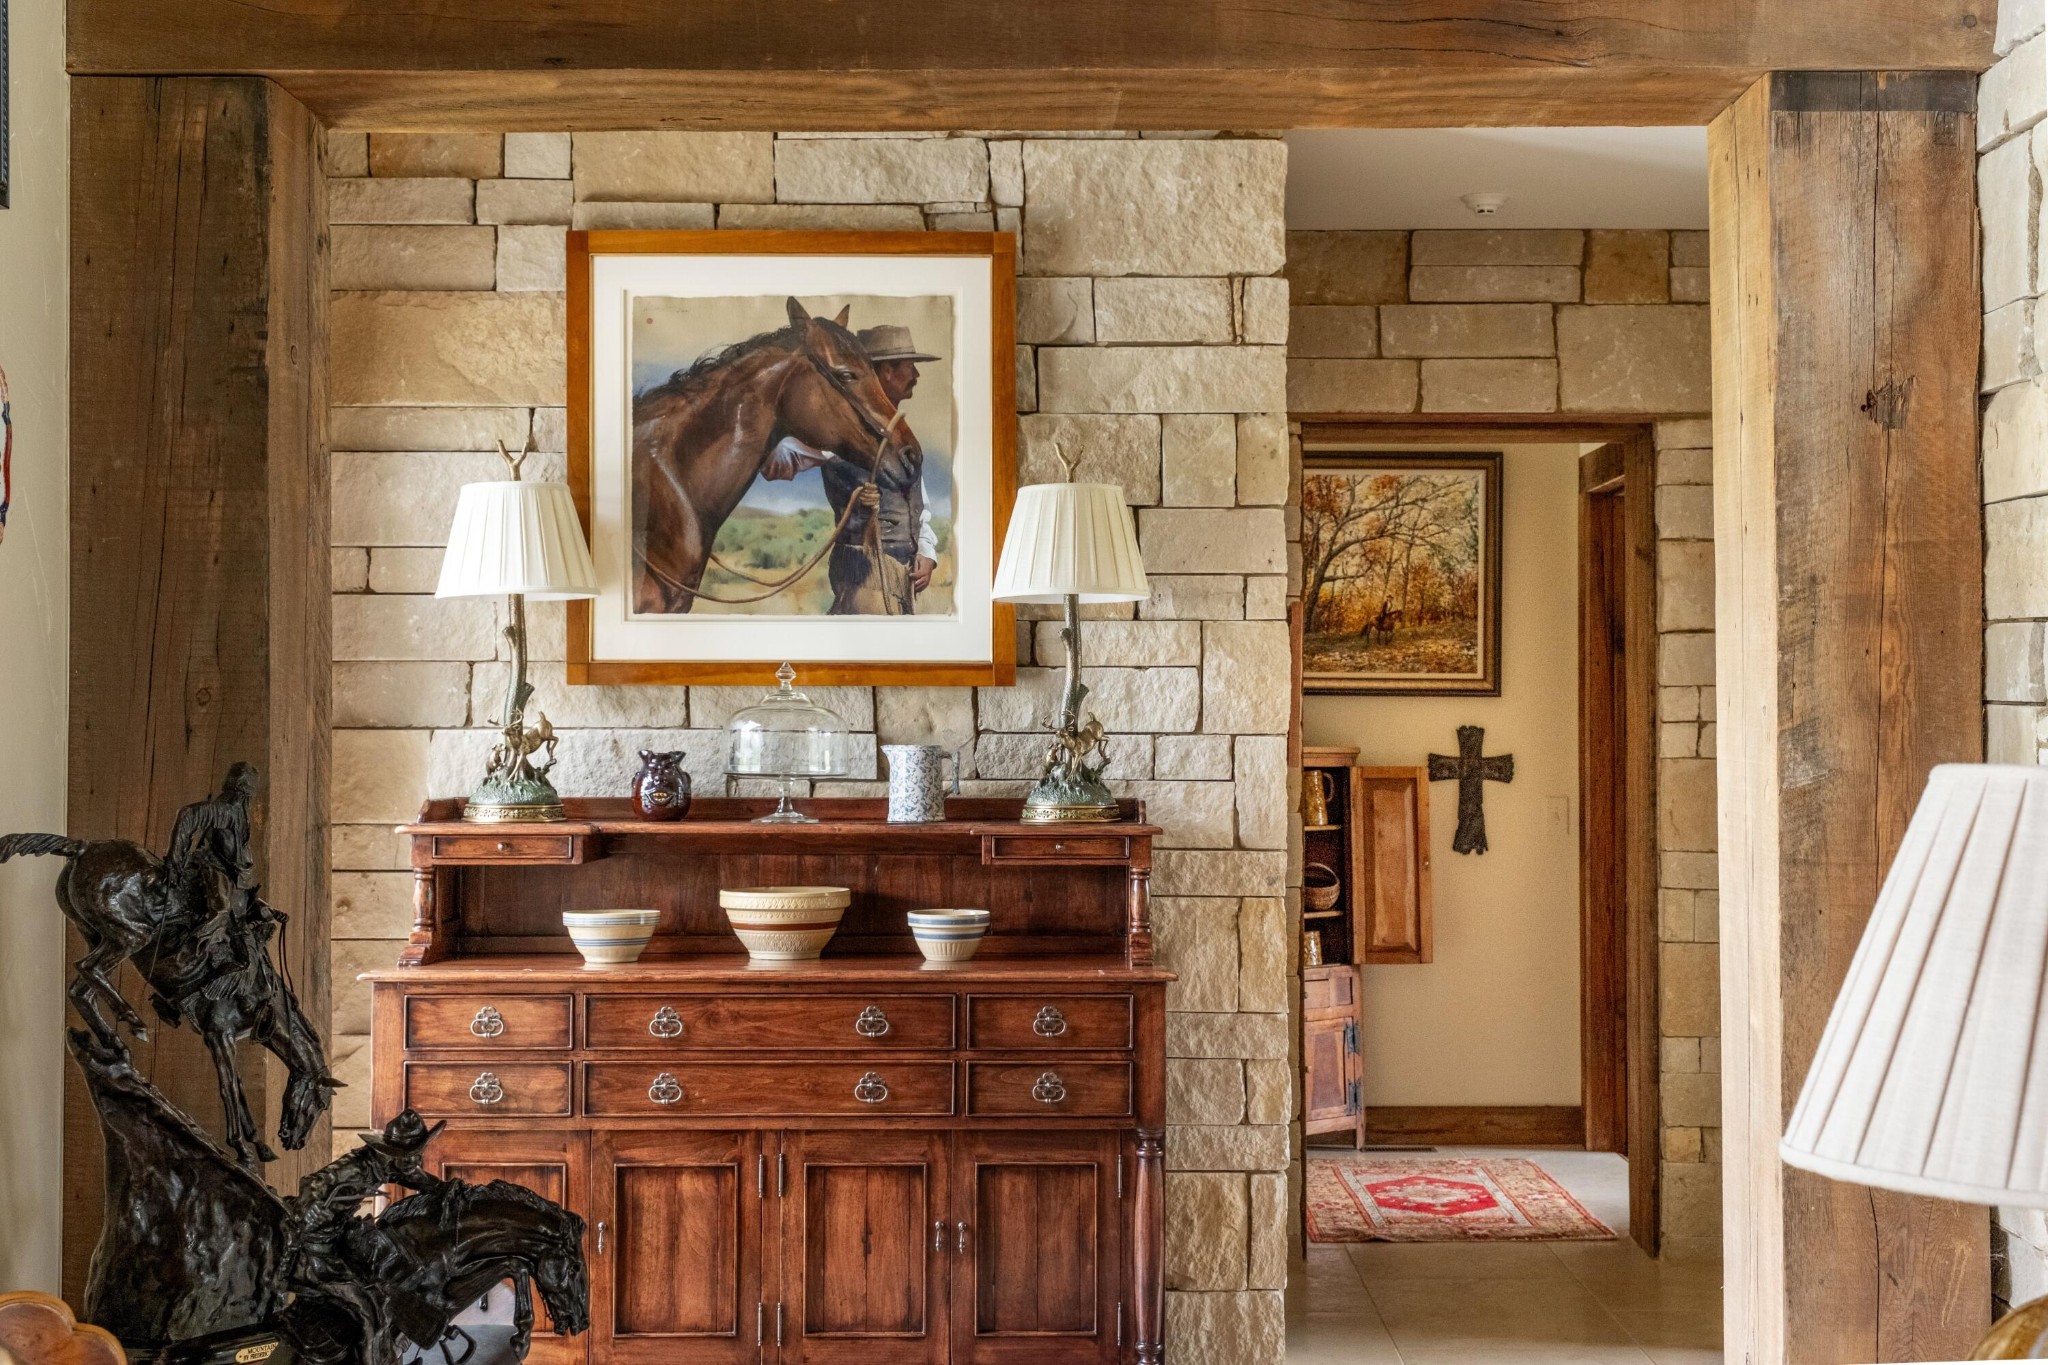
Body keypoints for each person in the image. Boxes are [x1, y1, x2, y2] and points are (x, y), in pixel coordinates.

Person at [760, 323, 941, 613]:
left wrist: (927, 552)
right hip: (863, 581)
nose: (917, 375)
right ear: (886, 372)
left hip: (900, 581)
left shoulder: (901, 437)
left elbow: (919, 505)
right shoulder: (836, 433)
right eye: (910, 367)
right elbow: (774, 463)